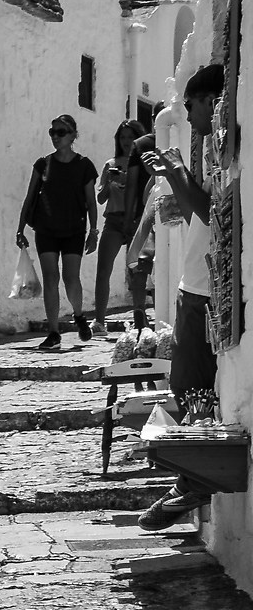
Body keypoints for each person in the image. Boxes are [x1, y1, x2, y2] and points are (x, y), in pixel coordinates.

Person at [139, 66, 225, 531]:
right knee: (186, 387)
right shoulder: (216, 152)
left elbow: (211, 216)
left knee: (193, 387)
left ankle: (192, 483)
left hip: (205, 290)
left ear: (209, 100)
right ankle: (190, 480)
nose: (188, 115)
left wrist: (174, 172)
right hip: (194, 285)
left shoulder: (226, 152)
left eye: (191, 105)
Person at [15, 113, 100, 349]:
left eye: (61, 132)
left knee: (71, 278)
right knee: (50, 277)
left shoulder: (84, 165)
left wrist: (93, 232)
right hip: (46, 229)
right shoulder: (43, 164)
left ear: (73, 135)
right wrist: (20, 228)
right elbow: (30, 196)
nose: (55, 137)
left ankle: (79, 314)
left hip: (74, 229)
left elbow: (91, 202)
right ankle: (53, 332)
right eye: (52, 132)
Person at [93, 120, 149, 331]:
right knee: (103, 269)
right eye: (122, 137)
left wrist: (129, 178)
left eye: (130, 137)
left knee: (138, 271)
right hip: (114, 220)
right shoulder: (111, 163)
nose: (126, 141)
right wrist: (110, 182)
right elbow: (100, 198)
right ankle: (99, 320)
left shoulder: (141, 162)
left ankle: (140, 319)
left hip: (136, 220)